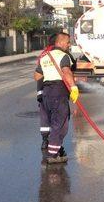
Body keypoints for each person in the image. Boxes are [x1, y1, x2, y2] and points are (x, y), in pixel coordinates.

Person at [34, 32, 79, 164]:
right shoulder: (64, 56)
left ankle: (55, 148)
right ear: (60, 42)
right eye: (67, 42)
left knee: (52, 122)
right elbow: (66, 71)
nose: (69, 45)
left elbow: (37, 76)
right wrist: (73, 87)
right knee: (61, 123)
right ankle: (52, 154)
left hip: (46, 91)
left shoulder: (45, 57)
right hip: (58, 91)